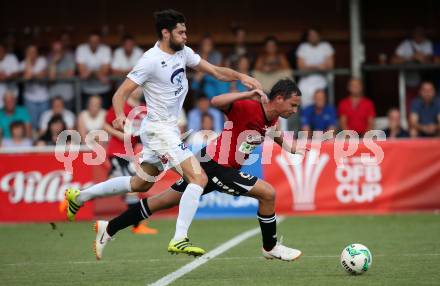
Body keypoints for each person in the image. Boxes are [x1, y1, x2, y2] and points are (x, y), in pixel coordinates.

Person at [64, 9, 262, 257]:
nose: (186, 36)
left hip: (164, 130)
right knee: (198, 178)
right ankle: (180, 238)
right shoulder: (150, 60)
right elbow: (120, 94)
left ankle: (79, 197)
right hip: (159, 130)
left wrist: (242, 76)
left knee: (139, 182)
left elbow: (215, 71)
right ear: (166, 33)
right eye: (181, 32)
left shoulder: (183, 53)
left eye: (186, 31)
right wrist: (118, 113)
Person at [91, 79, 304, 261]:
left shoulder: (273, 117)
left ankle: (108, 228)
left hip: (207, 162)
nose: (294, 110)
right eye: (293, 104)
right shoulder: (250, 107)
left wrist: (289, 147)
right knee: (268, 194)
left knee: (161, 201)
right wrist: (248, 93)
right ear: (278, 98)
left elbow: (272, 131)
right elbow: (216, 101)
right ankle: (270, 248)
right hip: (218, 167)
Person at [102, 88, 158, 235]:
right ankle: (137, 225)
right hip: (119, 152)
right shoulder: (122, 107)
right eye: (136, 87)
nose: (138, 90)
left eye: (141, 87)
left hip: (129, 153)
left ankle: (77, 197)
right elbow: (105, 124)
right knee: (132, 188)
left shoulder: (144, 109)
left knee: (113, 187)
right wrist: (120, 135)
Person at [296, 29, 335, 107]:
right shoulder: (303, 47)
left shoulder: (326, 46)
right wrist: (318, 67)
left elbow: (330, 65)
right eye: (310, 35)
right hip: (306, 81)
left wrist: (309, 67)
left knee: (320, 105)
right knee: (305, 106)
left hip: (322, 80)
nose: (312, 37)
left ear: (319, 36)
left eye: (314, 35)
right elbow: (301, 67)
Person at [47, 40, 76, 110]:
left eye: (59, 50)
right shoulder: (49, 58)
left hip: (67, 96)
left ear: (63, 50)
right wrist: (54, 62)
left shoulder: (70, 57)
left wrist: (55, 73)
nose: (57, 52)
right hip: (53, 96)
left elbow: (70, 74)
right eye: (55, 50)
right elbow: (51, 78)